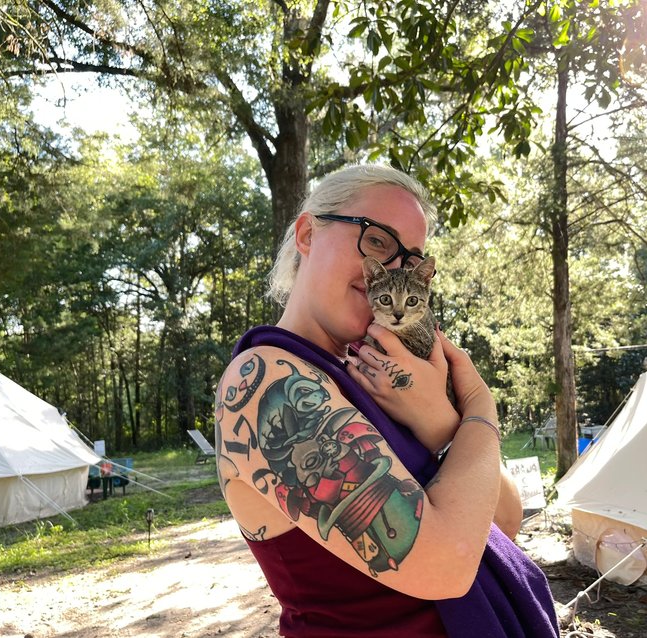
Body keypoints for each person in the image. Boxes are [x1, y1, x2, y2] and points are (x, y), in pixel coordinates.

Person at [215, 164, 559, 637]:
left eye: (410, 259)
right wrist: (480, 406)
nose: (393, 271)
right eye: (377, 240)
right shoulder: (268, 383)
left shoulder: (377, 377)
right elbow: (447, 567)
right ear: (307, 233)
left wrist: (438, 420)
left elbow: (504, 519)